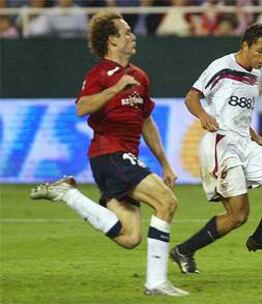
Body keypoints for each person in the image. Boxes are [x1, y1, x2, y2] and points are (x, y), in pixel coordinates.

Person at [29, 10, 188, 296]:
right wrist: (114, 88)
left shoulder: (139, 75)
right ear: (112, 41)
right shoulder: (100, 74)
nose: (132, 35)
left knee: (129, 237)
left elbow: (146, 121)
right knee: (166, 203)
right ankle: (156, 283)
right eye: (126, 32)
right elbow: (81, 107)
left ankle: (69, 194)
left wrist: (165, 163)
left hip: (124, 156)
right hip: (109, 154)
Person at [170, 23, 262, 274]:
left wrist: (256, 136)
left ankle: (261, 238)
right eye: (260, 51)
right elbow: (191, 97)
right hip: (221, 144)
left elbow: (239, 115)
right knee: (237, 216)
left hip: (245, 142)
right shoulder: (221, 67)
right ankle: (184, 250)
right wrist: (203, 116)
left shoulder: (255, 73)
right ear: (245, 45)